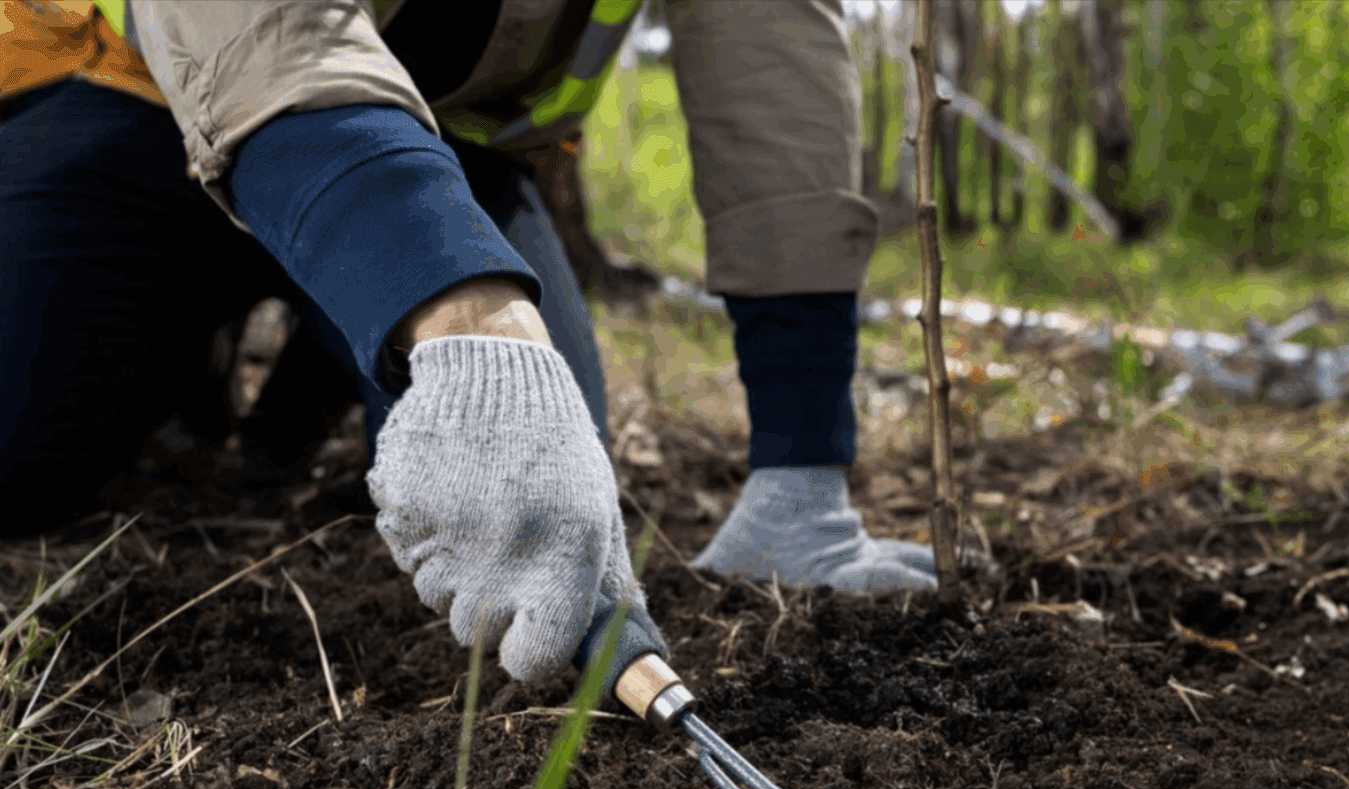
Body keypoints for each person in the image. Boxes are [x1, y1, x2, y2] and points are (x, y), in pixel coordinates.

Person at [0, 0, 936, 686]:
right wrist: (469, 321)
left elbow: (770, 69)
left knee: (538, 506)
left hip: (449, 153)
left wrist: (801, 469)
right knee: (23, 441)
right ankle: (193, 341)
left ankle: (334, 342)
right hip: (135, 96)